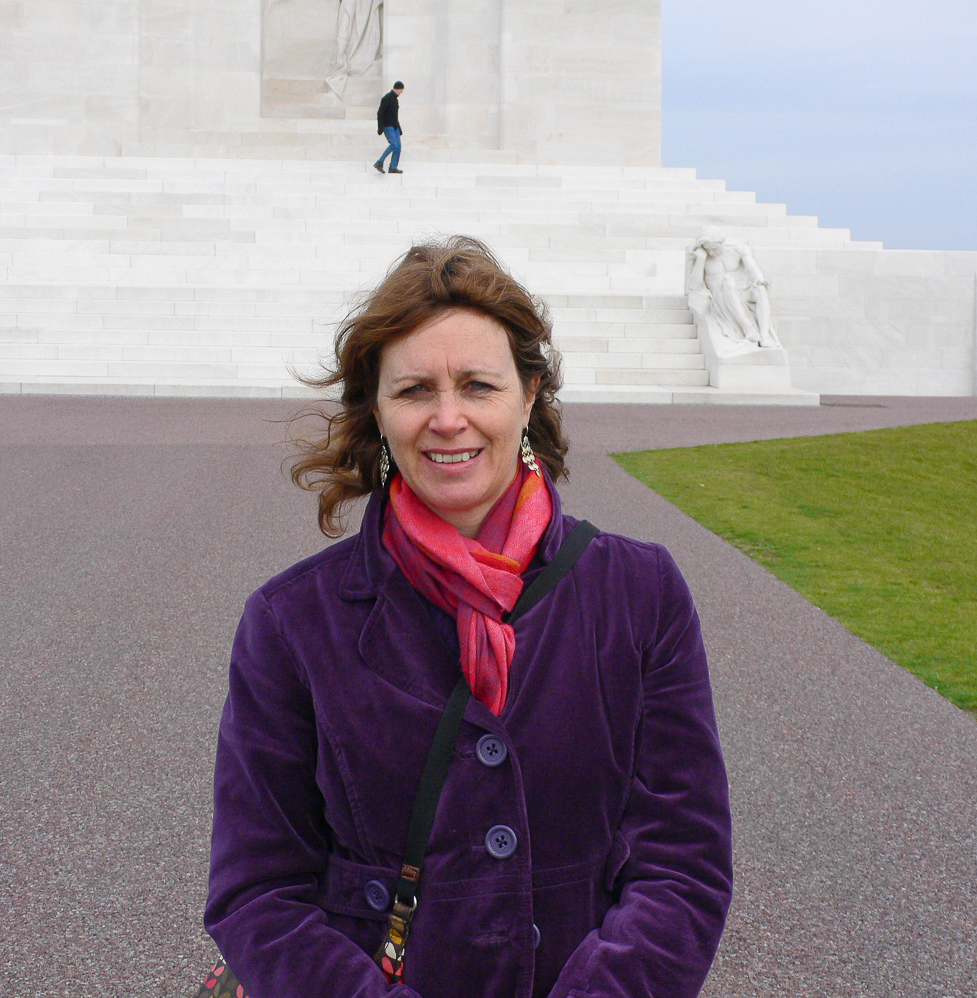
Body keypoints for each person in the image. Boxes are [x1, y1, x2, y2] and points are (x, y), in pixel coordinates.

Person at [203, 236, 733, 998]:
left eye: (479, 386)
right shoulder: (290, 623)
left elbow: (682, 864)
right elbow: (258, 894)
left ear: (529, 395)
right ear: (377, 408)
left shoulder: (640, 592)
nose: (448, 419)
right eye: (415, 390)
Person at [374, 81, 404, 174]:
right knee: (394, 145)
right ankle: (379, 162)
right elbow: (380, 113)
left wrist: (399, 128)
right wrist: (380, 127)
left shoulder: (395, 100)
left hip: (395, 126)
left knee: (398, 146)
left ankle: (393, 167)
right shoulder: (387, 98)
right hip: (388, 126)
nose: (401, 92)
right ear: (397, 89)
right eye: (401, 90)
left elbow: (395, 116)